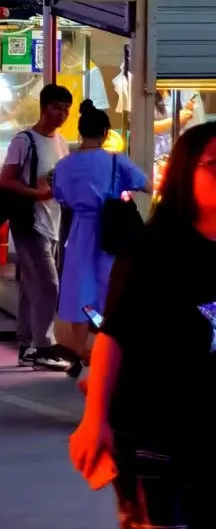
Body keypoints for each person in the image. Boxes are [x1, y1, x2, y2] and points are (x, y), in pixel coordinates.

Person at [70, 122, 216, 529]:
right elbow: (115, 336)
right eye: (215, 165)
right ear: (184, 174)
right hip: (153, 436)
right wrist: (95, 421)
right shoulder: (154, 249)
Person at [53, 100, 149, 368]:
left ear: (81, 131)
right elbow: (147, 185)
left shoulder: (65, 165)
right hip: (114, 232)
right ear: (106, 132)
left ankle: (80, 349)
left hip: (80, 231)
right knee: (111, 287)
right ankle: (108, 348)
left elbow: (60, 197)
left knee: (80, 288)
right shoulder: (117, 161)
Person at [0, 83, 73, 369]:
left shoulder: (61, 142)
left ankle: (26, 344)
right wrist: (37, 194)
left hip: (52, 220)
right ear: (44, 107)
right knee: (49, 284)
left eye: (67, 108)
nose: (62, 113)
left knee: (31, 285)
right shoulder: (24, 141)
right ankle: (44, 346)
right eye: (57, 107)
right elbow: (6, 180)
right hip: (28, 222)